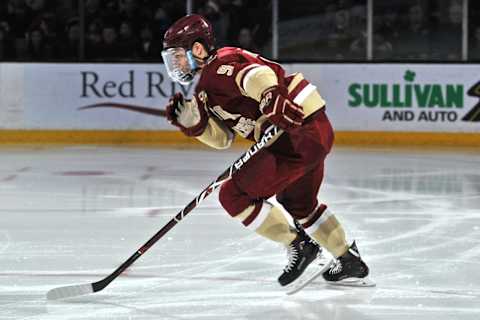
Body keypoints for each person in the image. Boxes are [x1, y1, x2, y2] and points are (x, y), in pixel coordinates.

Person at [161, 14, 372, 289]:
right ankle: (348, 259)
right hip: (309, 132)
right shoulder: (206, 87)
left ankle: (299, 245)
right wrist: (193, 124)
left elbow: (255, 76)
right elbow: (223, 139)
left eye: (178, 55)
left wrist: (270, 94)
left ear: (198, 49)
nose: (174, 64)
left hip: (296, 133)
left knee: (233, 195)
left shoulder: (219, 67)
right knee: (299, 203)